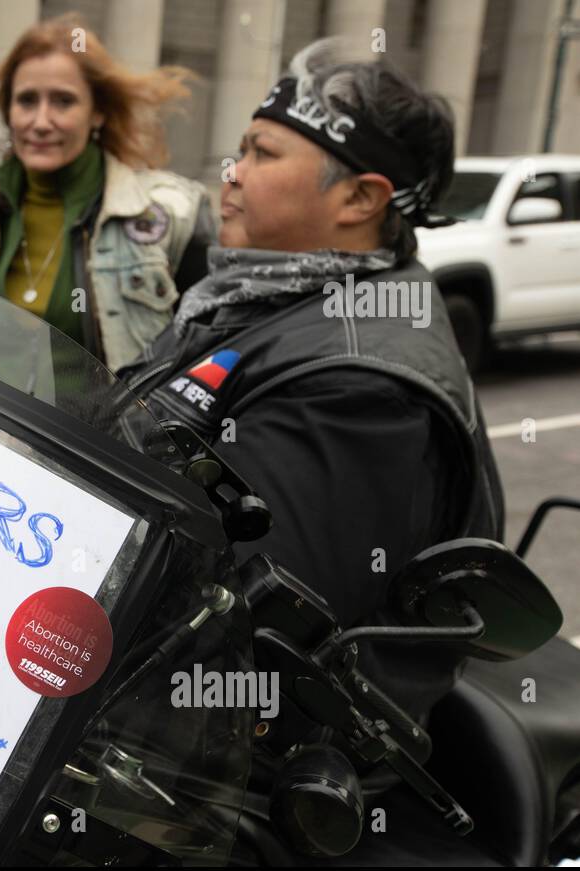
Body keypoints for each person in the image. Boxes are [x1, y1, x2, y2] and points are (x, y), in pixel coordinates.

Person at [125, 40, 505, 721]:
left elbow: (247, 629)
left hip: (223, 777)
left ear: (360, 198)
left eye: (262, 153)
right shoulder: (262, 296)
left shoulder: (365, 388)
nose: (231, 173)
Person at [0, 14, 215, 374]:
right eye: (26, 101)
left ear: (98, 112)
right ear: (8, 111)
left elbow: (205, 361)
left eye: (63, 101)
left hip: (99, 432)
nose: (41, 122)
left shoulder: (173, 215)